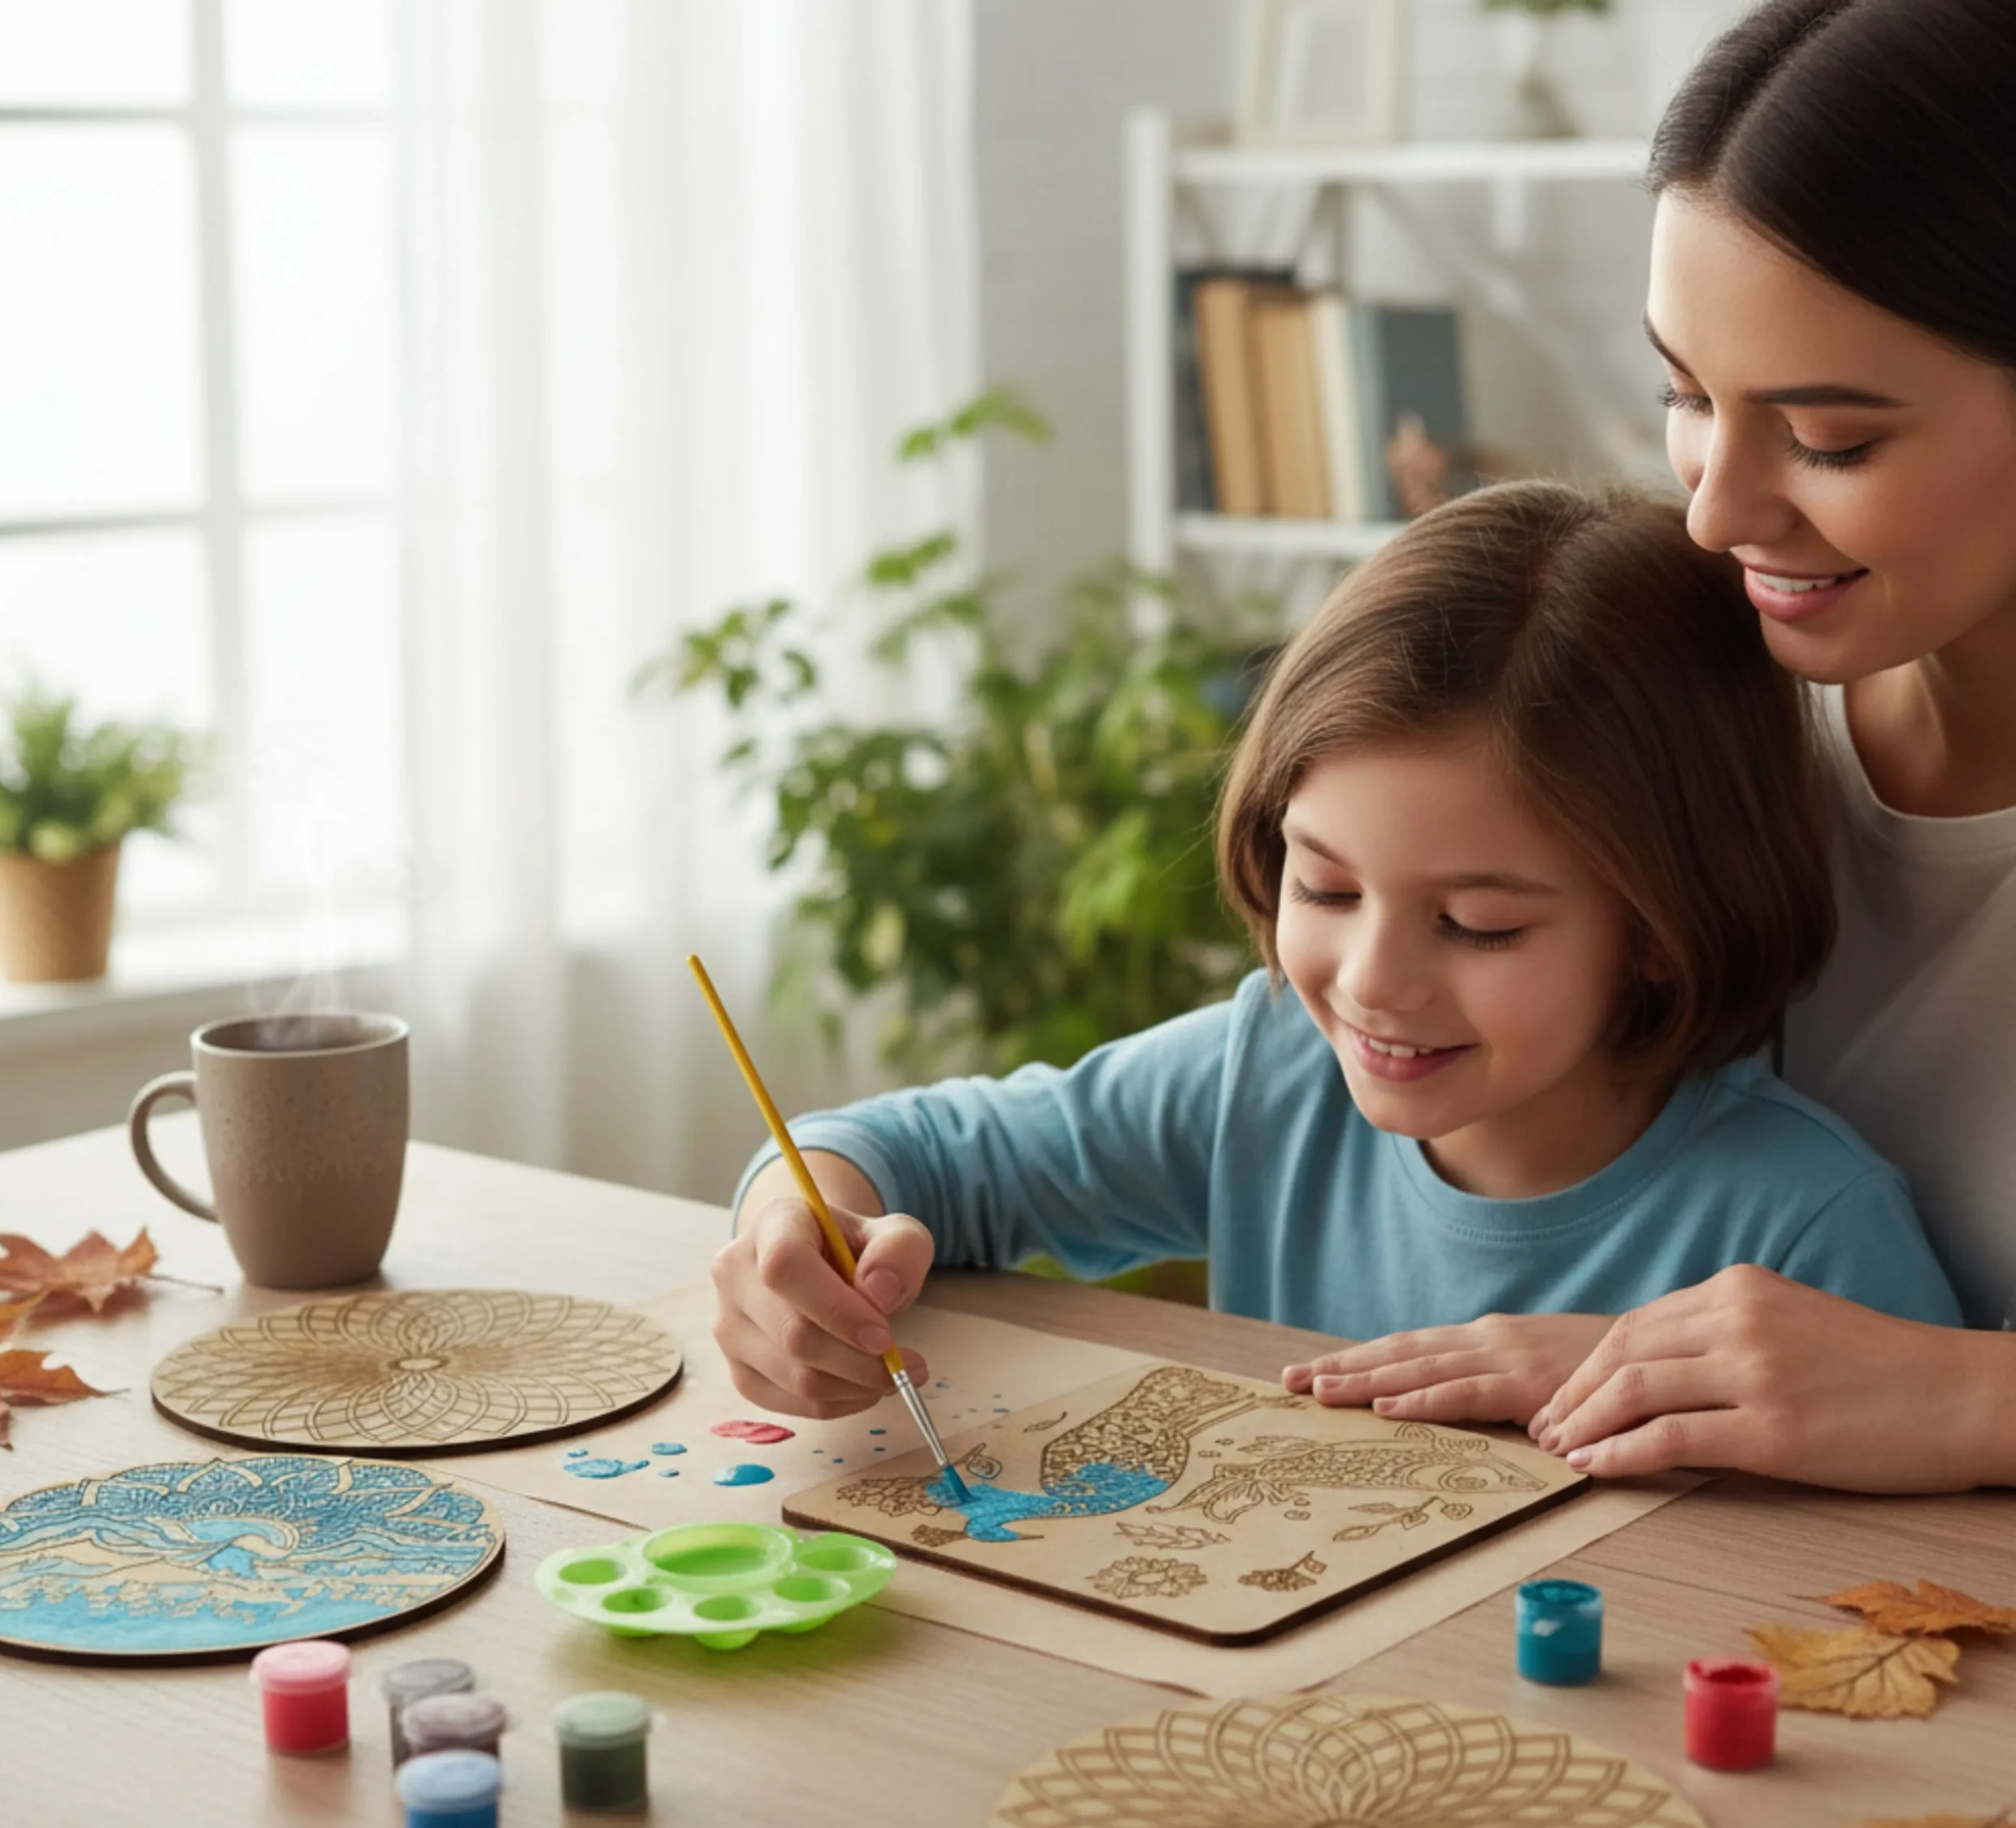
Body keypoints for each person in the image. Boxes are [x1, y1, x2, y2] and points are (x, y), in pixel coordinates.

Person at [710, 481, 1959, 1427]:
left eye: (1478, 925)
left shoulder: (1810, 1233)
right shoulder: (1270, 1072)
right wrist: (797, 1226)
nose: (1372, 982)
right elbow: (912, 1153)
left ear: (1663, 922)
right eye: (1325, 885)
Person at [1293, 0, 2016, 1492]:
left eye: (1830, 439)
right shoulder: (1689, 713)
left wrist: (1961, 1397)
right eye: (1688, 396)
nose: (1712, 512)